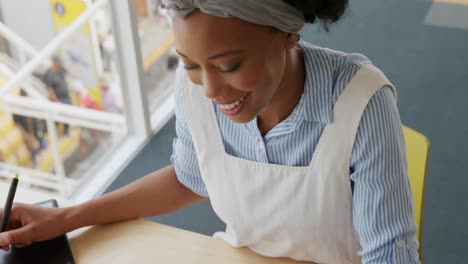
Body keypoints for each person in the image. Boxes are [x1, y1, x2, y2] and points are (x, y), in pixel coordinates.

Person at [0, 1, 420, 263]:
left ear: (288, 35)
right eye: (191, 64)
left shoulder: (364, 103)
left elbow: (388, 255)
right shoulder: (196, 89)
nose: (212, 90)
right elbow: (190, 176)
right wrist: (66, 218)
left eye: (229, 65)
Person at [43, 55, 72, 136]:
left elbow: (67, 72)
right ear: (54, 63)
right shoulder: (49, 74)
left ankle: (66, 131)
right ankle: (53, 132)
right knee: (57, 118)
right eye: (58, 63)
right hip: (58, 99)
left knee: (69, 115)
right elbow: (49, 90)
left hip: (66, 98)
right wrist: (56, 100)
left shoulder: (60, 69)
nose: (59, 64)